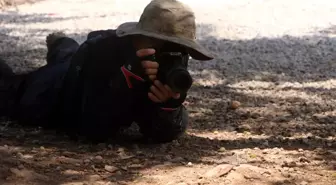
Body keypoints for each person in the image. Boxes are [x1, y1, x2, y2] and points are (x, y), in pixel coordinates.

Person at [0, 0, 214, 143]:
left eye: (178, 48)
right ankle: (62, 46)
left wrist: (170, 105)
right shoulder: (102, 51)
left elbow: (161, 132)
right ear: (139, 38)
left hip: (76, 63)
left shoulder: (171, 61)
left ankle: (61, 44)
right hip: (57, 89)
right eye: (163, 45)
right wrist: (126, 80)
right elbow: (89, 128)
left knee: (68, 54)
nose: (169, 53)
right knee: (9, 88)